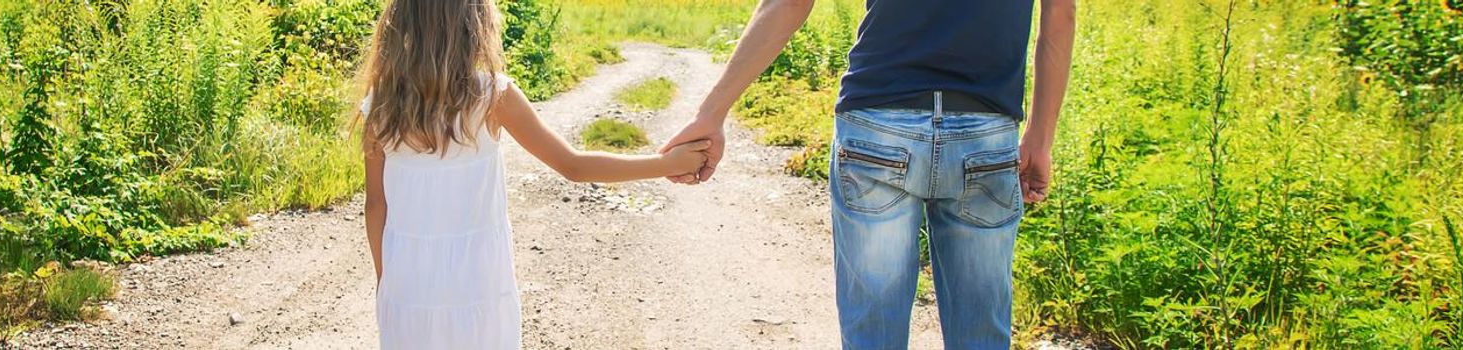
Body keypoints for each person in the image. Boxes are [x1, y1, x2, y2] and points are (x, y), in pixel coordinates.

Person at [659, 0, 1076, 348]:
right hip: (985, 133)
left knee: (872, 333)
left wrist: (711, 112)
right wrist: (1040, 136)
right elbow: (1061, 12)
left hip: (876, 126)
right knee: (981, 333)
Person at [357, 1, 712, 348]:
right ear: (473, 26)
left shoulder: (381, 104)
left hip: (406, 283)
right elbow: (573, 166)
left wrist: (385, 282)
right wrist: (666, 163)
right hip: (478, 283)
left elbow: (376, 206)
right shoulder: (493, 95)